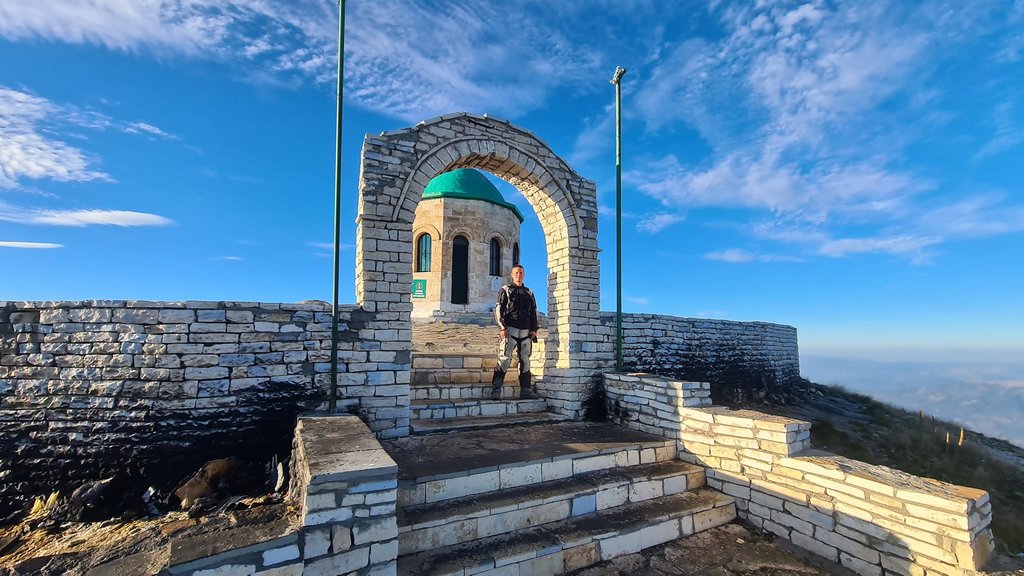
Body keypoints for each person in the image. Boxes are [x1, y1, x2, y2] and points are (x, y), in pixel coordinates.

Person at [491, 264, 540, 400]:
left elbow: (533, 312)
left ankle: (526, 390)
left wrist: (534, 329)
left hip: (525, 331)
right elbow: (499, 309)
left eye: (521, 273)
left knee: (525, 360)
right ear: (512, 274)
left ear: (524, 275)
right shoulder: (505, 290)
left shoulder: (529, 292)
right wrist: (502, 327)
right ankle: (496, 390)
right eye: (516, 273)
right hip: (510, 329)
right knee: (505, 358)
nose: (519, 275)